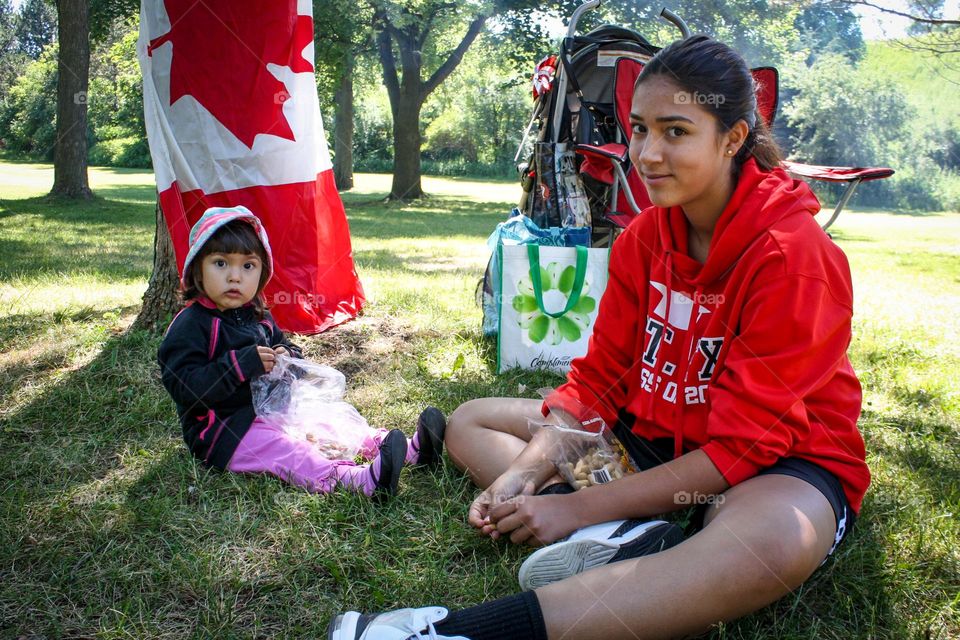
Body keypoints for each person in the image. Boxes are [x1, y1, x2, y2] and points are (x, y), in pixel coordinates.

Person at [327, 35, 870, 639]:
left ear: (732, 138)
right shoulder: (644, 238)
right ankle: (626, 533)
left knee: (774, 540)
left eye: (676, 131)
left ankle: (444, 631)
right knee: (470, 421)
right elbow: (600, 382)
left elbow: (741, 450)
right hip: (647, 446)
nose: (647, 153)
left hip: (768, 469)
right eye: (639, 129)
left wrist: (573, 505)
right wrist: (525, 474)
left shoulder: (793, 258)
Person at [158, 206, 445, 499]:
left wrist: (286, 353)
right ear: (197, 269)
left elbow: (287, 347)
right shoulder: (192, 324)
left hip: (274, 410)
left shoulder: (256, 314)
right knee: (290, 451)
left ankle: (404, 450)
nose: (235, 276)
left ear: (262, 273)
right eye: (220, 263)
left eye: (248, 266)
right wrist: (238, 366)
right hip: (226, 432)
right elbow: (184, 387)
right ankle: (356, 481)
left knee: (326, 420)